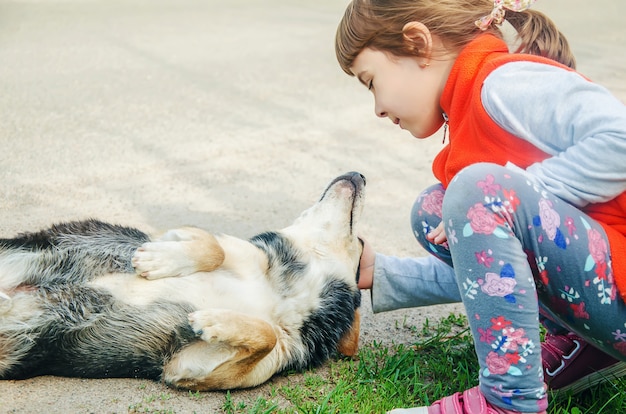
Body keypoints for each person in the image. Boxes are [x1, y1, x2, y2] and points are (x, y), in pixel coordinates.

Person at [335, 0, 626, 412]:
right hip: (607, 291)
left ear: (418, 44)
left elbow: (621, 138)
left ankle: (508, 402)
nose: (377, 107)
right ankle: (591, 346)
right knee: (437, 208)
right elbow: (499, 273)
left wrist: (519, 189)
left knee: (475, 193)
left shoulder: (505, 84)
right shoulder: (470, 105)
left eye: (371, 81)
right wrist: (385, 275)